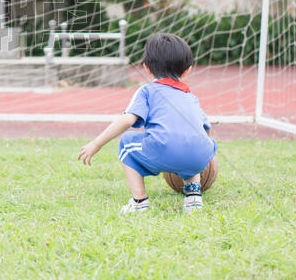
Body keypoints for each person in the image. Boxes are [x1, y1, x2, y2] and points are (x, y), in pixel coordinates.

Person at [77, 32, 216, 214]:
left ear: (147, 68)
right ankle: (193, 197)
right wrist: (195, 157)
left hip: (164, 150)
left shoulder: (147, 91)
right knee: (194, 141)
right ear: (187, 70)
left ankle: (139, 201)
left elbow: (128, 120)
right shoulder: (190, 95)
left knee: (126, 143)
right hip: (202, 155)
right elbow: (206, 128)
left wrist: (96, 144)